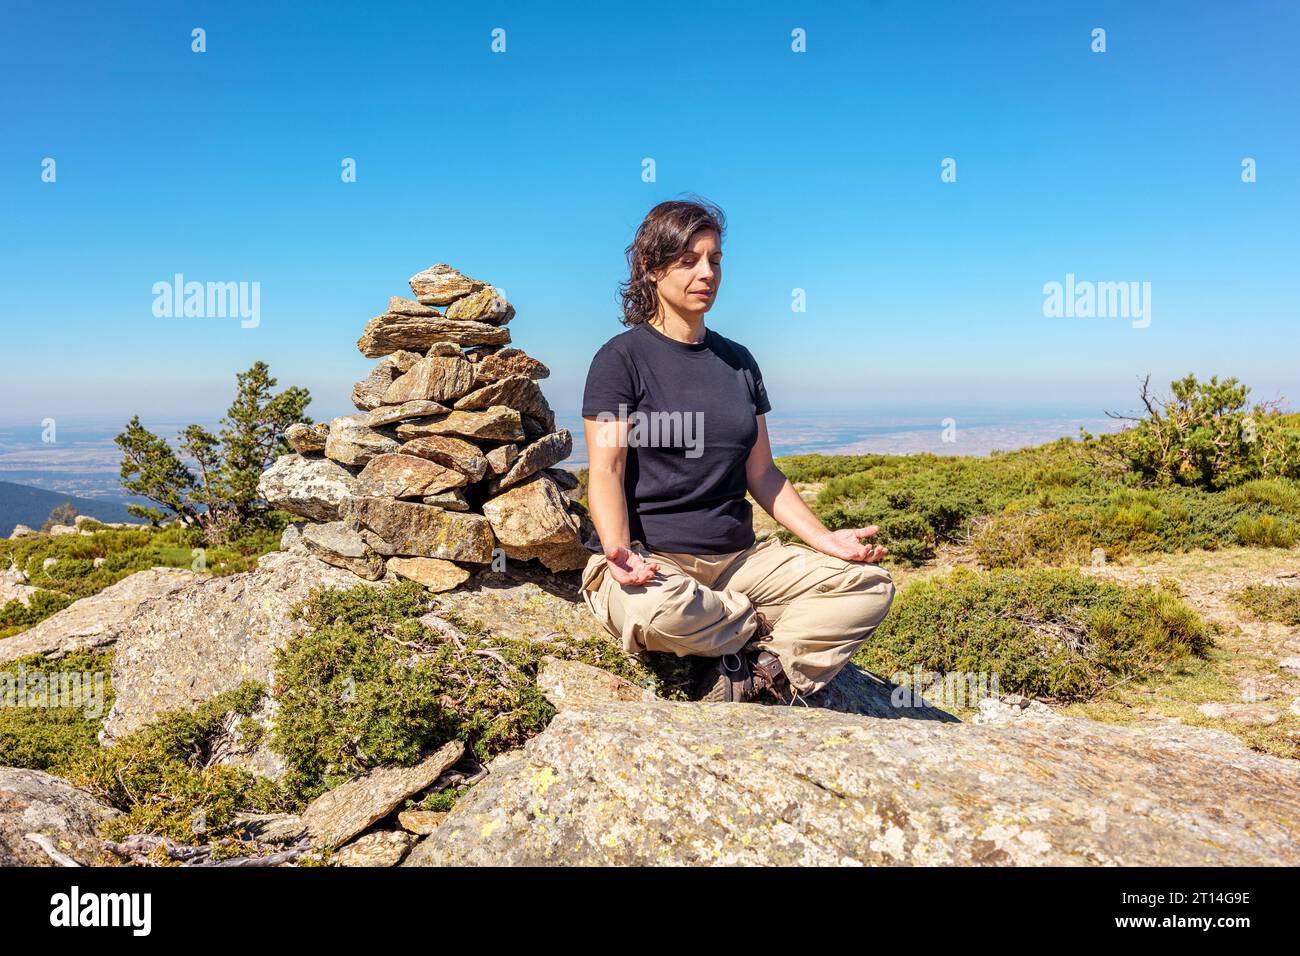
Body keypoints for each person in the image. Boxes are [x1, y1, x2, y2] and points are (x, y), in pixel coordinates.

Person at [579, 197, 896, 704]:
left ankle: (762, 674)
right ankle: (754, 625)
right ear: (650, 268)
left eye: (715, 260)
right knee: (652, 613)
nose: (706, 273)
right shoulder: (621, 360)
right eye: (688, 261)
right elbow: (608, 470)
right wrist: (620, 554)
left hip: (738, 560)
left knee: (870, 586)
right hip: (655, 562)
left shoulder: (739, 362)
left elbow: (763, 474)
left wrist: (827, 542)